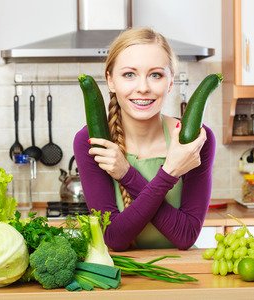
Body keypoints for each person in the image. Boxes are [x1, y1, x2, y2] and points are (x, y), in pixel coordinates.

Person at [73, 27, 216, 251]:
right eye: (129, 74)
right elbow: (115, 237)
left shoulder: (194, 141)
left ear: (170, 82)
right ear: (110, 80)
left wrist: (127, 175)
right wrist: (167, 173)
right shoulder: (92, 141)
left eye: (156, 75)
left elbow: (185, 236)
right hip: (122, 279)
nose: (143, 88)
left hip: (182, 276)